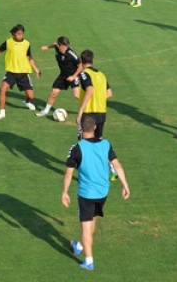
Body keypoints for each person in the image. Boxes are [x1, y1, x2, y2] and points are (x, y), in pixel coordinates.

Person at [62, 116, 130, 271]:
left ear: (81, 128)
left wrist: (65, 192)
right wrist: (125, 185)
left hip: (86, 194)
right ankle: (79, 245)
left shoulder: (76, 148)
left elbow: (68, 174)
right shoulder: (106, 144)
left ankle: (89, 261)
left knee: (86, 226)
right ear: (94, 128)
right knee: (92, 220)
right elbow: (117, 165)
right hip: (103, 192)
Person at [0, 24, 41, 120]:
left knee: (31, 96)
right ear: (14, 33)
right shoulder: (8, 42)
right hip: (11, 72)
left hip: (23, 73)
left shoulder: (27, 44)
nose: (20, 35)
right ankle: (2, 112)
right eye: (18, 33)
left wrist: (36, 69)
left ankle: (27, 102)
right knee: (3, 89)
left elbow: (29, 57)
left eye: (22, 34)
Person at [36, 36, 82, 117]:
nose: (65, 49)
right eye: (63, 47)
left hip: (74, 75)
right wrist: (47, 47)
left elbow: (81, 65)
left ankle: (90, 108)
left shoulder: (71, 54)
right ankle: (45, 111)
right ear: (59, 45)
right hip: (63, 74)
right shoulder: (57, 46)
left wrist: (73, 76)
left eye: (66, 47)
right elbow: (54, 44)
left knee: (77, 95)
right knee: (53, 92)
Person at [76, 50, 112, 139]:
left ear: (81, 60)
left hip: (89, 113)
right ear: (93, 59)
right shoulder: (101, 75)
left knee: (85, 142)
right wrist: (97, 99)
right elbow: (109, 93)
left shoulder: (84, 73)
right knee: (98, 140)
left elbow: (90, 89)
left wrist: (81, 110)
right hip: (101, 114)